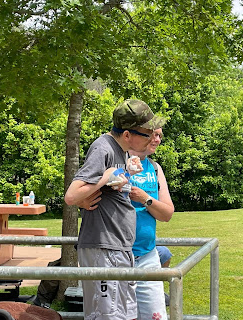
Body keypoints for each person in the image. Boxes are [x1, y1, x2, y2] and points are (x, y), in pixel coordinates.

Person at [65, 99, 165, 320]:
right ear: (127, 135)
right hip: (104, 248)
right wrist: (105, 178)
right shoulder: (103, 148)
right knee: (106, 316)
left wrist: (127, 174)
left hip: (119, 248)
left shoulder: (120, 151)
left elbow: (110, 185)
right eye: (146, 134)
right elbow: (72, 195)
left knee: (124, 316)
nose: (152, 139)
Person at [128, 127, 174, 320]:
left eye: (160, 136)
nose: (157, 140)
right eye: (153, 134)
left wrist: (145, 198)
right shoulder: (115, 162)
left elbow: (167, 213)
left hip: (148, 255)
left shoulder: (154, 168)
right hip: (118, 256)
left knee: (157, 316)